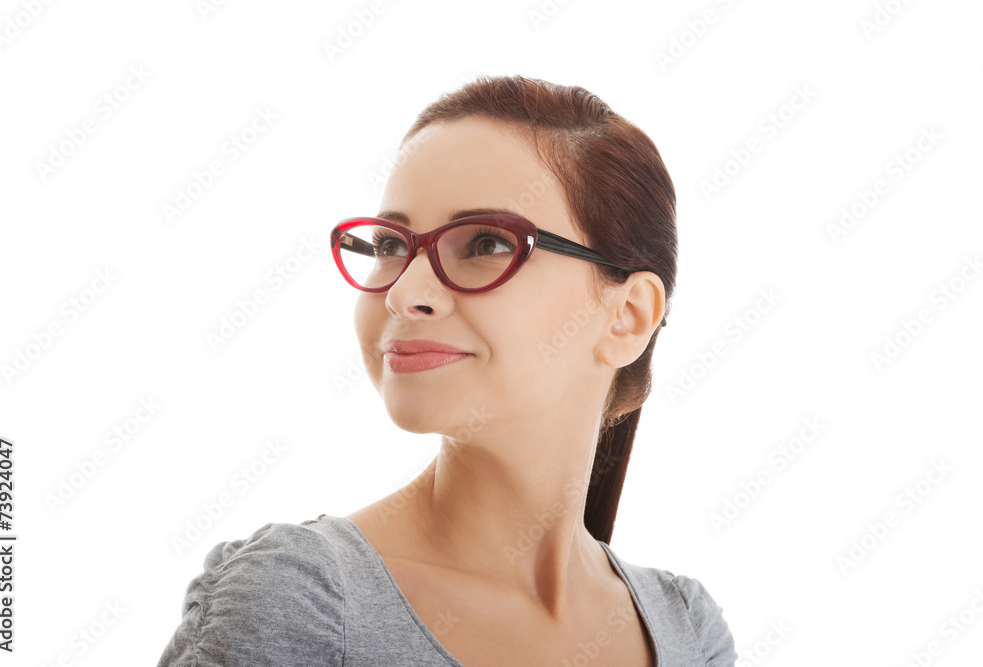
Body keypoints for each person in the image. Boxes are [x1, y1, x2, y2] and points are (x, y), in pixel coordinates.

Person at [156, 74, 738, 666]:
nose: (404, 293)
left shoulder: (685, 631)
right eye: (390, 245)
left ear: (627, 317)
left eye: (485, 243)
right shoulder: (297, 602)